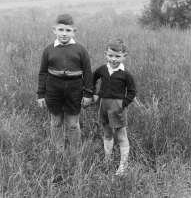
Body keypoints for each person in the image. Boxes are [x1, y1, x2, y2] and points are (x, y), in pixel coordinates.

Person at [37, 14, 93, 156]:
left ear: (74, 31)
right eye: (61, 30)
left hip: (75, 88)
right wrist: (41, 94)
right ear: (54, 30)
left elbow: (87, 72)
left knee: (73, 123)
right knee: (56, 121)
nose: (64, 33)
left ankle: (75, 153)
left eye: (68, 30)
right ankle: (58, 152)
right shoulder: (48, 49)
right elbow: (43, 72)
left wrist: (87, 93)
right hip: (53, 88)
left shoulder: (81, 49)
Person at [93, 38, 136, 175]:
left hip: (117, 106)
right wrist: (94, 94)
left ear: (124, 56)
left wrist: (123, 104)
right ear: (105, 54)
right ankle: (108, 160)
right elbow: (91, 81)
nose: (113, 59)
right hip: (103, 105)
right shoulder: (101, 69)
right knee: (107, 132)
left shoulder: (126, 74)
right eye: (110, 55)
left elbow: (132, 91)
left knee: (122, 135)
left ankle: (123, 165)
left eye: (117, 56)